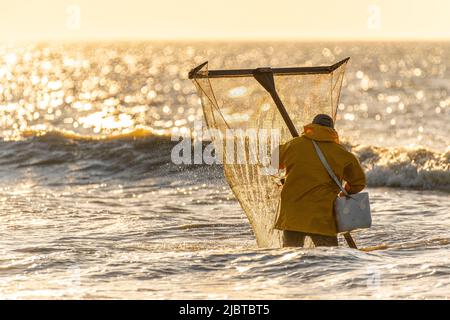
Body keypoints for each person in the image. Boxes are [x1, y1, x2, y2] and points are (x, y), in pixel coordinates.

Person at [273, 114, 366, 247]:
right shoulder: (342, 154)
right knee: (328, 262)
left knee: (291, 261)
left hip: (293, 217)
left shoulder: (293, 145)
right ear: (332, 131)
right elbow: (358, 182)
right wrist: (345, 192)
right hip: (323, 219)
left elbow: (273, 161)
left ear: (312, 127)